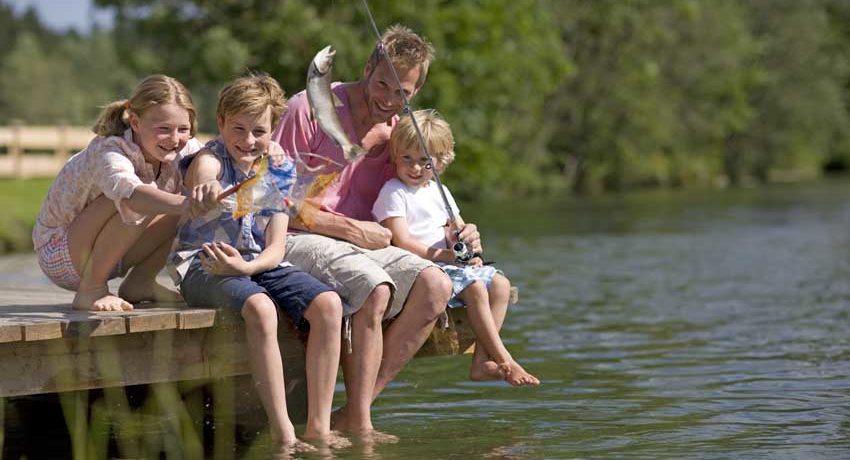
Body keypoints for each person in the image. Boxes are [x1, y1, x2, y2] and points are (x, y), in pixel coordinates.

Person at [273, 25, 480, 437]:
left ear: (416, 92)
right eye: (382, 83)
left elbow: (411, 201)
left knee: (436, 285)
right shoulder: (310, 106)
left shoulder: (399, 132)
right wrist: (349, 228)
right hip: (296, 236)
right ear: (368, 68)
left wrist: (458, 233)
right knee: (374, 288)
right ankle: (361, 425)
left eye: (402, 92)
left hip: (362, 246)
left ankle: (356, 412)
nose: (388, 98)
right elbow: (272, 199)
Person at [169, 73, 348, 451]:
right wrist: (207, 188)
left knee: (330, 304)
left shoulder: (278, 170)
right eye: (238, 129)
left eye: (259, 131)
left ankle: (318, 427)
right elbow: (204, 175)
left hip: (254, 261)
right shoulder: (211, 158)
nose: (248, 140)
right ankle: (284, 433)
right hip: (204, 262)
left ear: (273, 130)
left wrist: (248, 269)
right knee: (262, 308)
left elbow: (276, 248)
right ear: (221, 122)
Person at [372, 110, 540, 386]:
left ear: (441, 162)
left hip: (451, 264)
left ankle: (481, 362)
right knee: (475, 288)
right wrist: (446, 256)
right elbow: (402, 241)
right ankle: (505, 359)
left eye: (425, 161)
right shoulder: (393, 191)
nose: (415, 168)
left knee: (500, 284)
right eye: (407, 158)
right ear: (395, 156)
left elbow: (458, 229)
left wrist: (469, 247)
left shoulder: (440, 191)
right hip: (422, 268)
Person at [33, 74, 206, 312]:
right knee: (141, 197)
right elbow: (132, 194)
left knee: (188, 209)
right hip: (61, 254)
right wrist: (186, 202)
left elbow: (213, 157)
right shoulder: (110, 150)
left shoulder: (185, 148)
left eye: (183, 129)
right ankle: (91, 290)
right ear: (135, 122)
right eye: (163, 129)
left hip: (112, 255)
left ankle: (140, 282)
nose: (175, 139)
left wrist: (206, 184)